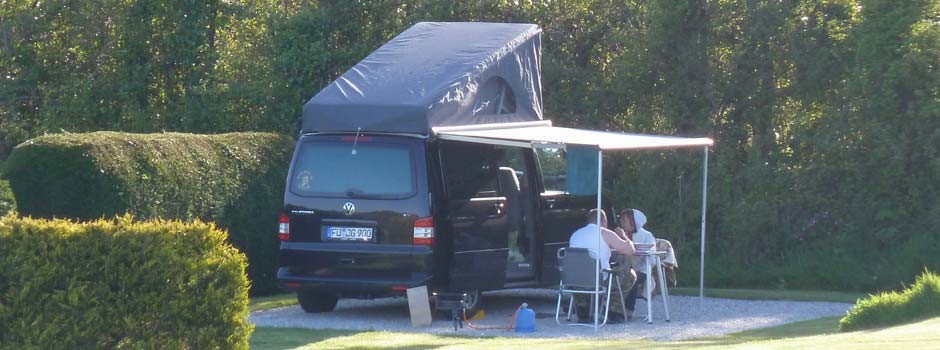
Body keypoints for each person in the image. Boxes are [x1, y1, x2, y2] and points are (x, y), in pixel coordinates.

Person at [569, 209, 636, 323]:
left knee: (588, 274)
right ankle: (613, 311)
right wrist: (624, 236)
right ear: (604, 221)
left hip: (576, 280)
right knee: (630, 275)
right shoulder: (605, 233)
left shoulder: (575, 234)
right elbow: (630, 250)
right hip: (598, 279)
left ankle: (583, 310)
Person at [616, 208, 678, 320]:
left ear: (632, 221)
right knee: (614, 276)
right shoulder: (620, 235)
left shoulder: (646, 235)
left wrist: (625, 241)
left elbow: (652, 258)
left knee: (631, 276)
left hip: (643, 269)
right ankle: (612, 310)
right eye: (621, 221)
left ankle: (628, 310)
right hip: (624, 267)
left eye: (624, 220)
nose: (622, 223)